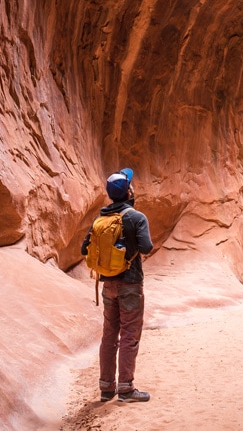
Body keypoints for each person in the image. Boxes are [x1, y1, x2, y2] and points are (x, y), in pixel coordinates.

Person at [82, 168, 154, 403]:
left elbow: (85, 249)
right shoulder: (136, 217)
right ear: (128, 191)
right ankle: (125, 389)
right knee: (130, 335)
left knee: (109, 335)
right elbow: (146, 247)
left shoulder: (99, 219)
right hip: (131, 284)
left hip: (107, 285)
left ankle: (106, 388)